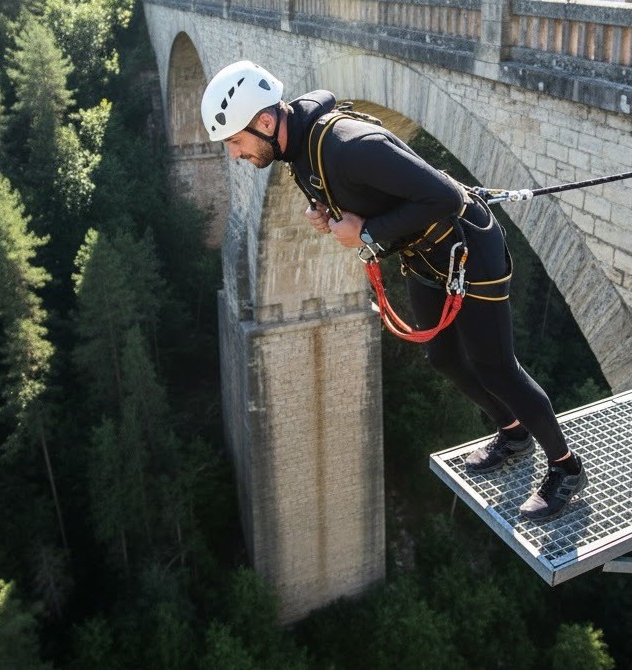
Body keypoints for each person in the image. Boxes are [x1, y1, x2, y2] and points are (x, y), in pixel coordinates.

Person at [200, 61, 586, 521]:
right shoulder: (295, 149)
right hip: (423, 254)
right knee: (443, 357)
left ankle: (566, 467)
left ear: (265, 122)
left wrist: (366, 232)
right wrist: (326, 214)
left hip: (468, 250)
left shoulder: (351, 146)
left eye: (235, 142)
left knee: (497, 369)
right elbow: (352, 197)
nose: (234, 155)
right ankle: (514, 432)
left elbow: (446, 197)